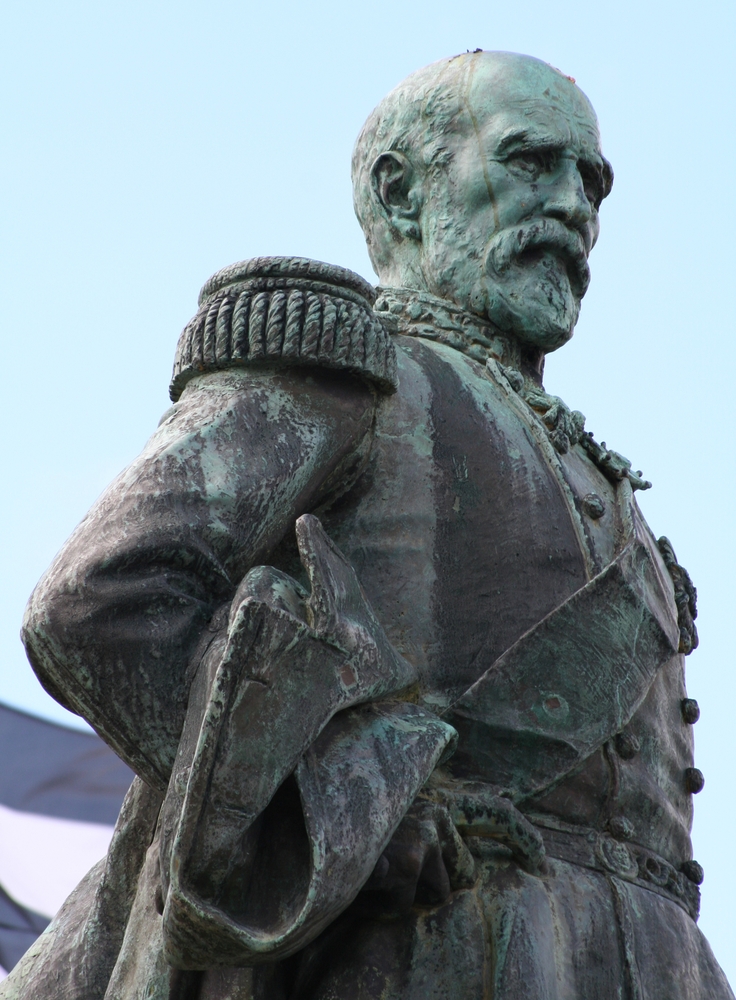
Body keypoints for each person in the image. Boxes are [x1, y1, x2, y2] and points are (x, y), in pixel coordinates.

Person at [3, 51, 732, 999]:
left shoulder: (598, 470)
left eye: (591, 181)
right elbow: (99, 602)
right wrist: (347, 802)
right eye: (530, 163)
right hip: (427, 948)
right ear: (400, 194)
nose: (574, 208)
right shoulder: (352, 371)